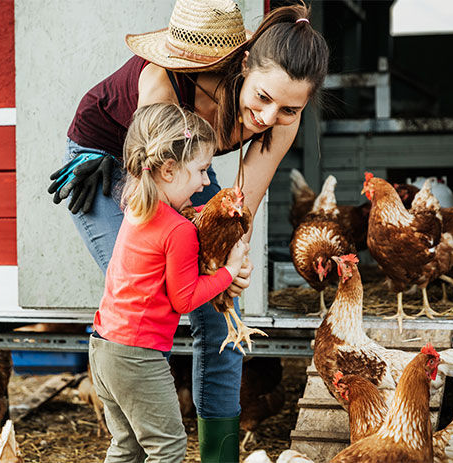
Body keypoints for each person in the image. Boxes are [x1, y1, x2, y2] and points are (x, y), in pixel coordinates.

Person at [48, 0, 329, 460]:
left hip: (183, 163)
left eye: (288, 108)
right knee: (153, 289)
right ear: (243, 66)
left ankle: (219, 454)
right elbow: (154, 184)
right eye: (262, 98)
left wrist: (232, 265)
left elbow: (241, 210)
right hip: (112, 160)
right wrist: (206, 267)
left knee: (220, 309)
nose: (268, 116)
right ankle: (145, 437)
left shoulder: (282, 121)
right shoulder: (165, 79)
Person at [89, 102, 249, 462]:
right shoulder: (178, 230)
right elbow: (185, 299)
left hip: (104, 348)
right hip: (137, 356)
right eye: (202, 170)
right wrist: (229, 271)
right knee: (169, 448)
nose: (207, 181)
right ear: (169, 170)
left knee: (127, 446)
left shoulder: (137, 206)